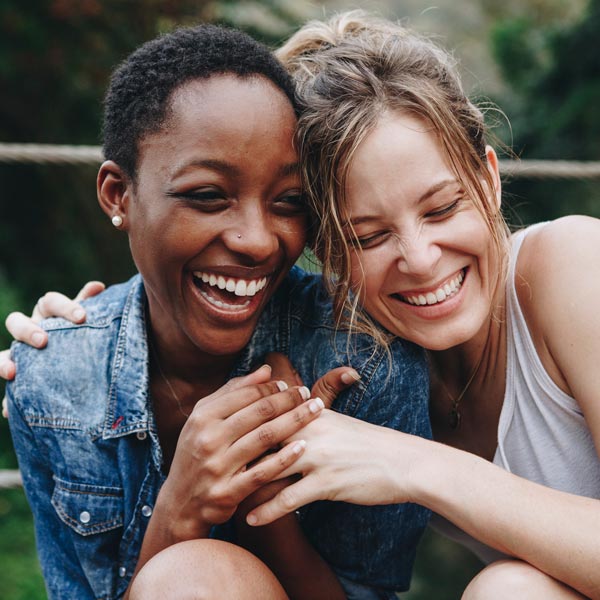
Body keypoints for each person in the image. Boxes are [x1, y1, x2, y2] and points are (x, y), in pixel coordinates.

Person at [2, 23, 432, 600]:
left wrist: (268, 502)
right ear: (118, 195)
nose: (257, 241)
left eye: (289, 202)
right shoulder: (51, 380)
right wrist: (180, 510)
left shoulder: (363, 359)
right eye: (207, 195)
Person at [230, 11, 600, 600]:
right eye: (369, 237)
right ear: (325, 251)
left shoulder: (574, 267)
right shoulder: (372, 361)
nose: (422, 260)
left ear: (488, 178)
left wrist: (417, 467)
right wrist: (76, 330)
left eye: (442, 208)